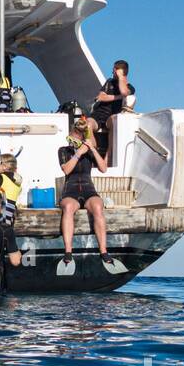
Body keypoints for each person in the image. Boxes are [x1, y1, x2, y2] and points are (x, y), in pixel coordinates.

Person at [58, 111, 115, 268]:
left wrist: (93, 149)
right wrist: (78, 153)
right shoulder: (64, 151)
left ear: (82, 137)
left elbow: (103, 168)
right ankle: (68, 251)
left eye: (75, 136)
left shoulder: (89, 152)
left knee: (97, 206)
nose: (72, 139)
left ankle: (103, 251)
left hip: (89, 190)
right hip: (71, 190)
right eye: (71, 136)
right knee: (68, 207)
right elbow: (66, 170)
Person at [90, 59, 134, 159]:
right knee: (87, 125)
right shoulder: (109, 82)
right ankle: (93, 156)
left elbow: (124, 92)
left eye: (114, 70)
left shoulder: (130, 87)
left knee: (114, 124)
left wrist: (121, 77)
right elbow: (101, 97)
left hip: (112, 116)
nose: (112, 72)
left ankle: (107, 159)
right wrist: (118, 97)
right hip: (99, 114)